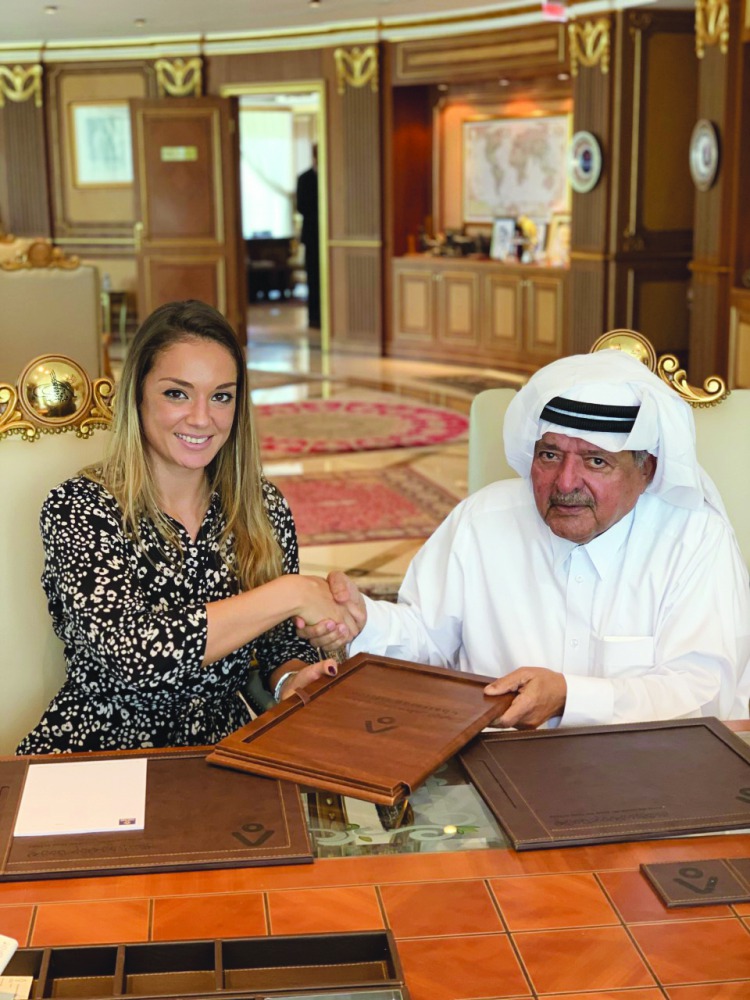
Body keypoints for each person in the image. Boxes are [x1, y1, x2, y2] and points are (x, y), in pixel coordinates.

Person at [299, 350, 750, 729]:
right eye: (549, 455)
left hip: (648, 776)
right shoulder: (484, 519)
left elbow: (703, 694)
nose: (564, 482)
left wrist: (569, 697)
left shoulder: (693, 539)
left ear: (646, 470)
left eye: (595, 461)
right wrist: (364, 621)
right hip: (490, 763)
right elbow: (425, 635)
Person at [17, 300, 353, 755]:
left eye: (221, 395)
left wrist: (296, 676)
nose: (202, 418)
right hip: (99, 752)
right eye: (177, 393)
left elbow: (277, 648)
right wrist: (290, 593)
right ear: (137, 394)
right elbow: (133, 655)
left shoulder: (261, 506)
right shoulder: (80, 506)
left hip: (224, 749)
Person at [296, 144, 320, 329]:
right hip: (312, 237)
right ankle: (314, 317)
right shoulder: (304, 178)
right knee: (313, 277)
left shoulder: (331, 176)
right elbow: (301, 207)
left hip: (328, 238)